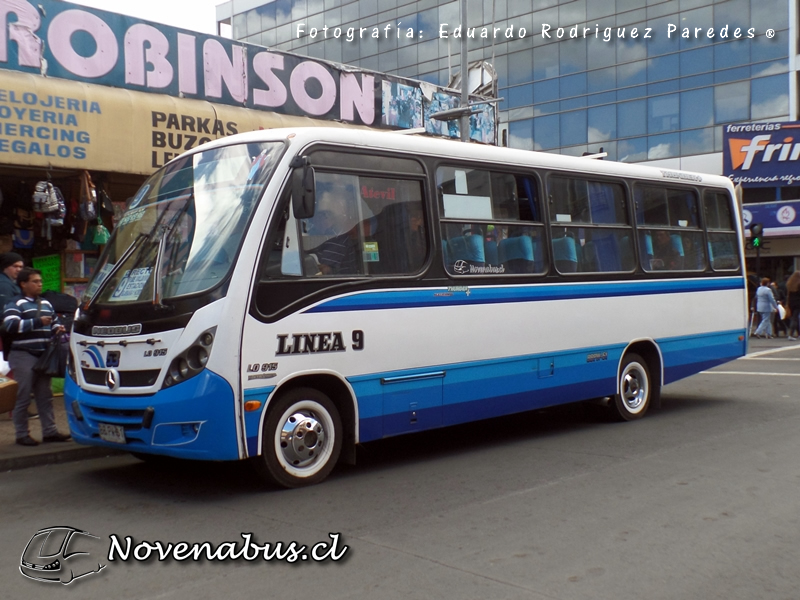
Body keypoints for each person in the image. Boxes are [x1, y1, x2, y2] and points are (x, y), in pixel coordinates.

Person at [3, 268, 71, 446]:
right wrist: (37, 322)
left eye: (40, 281)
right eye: (35, 281)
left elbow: (55, 322)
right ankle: (21, 434)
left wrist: (58, 328)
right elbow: (10, 325)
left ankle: (50, 432)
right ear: (23, 284)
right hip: (23, 354)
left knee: (44, 395)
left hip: (43, 355)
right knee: (23, 395)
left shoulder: (47, 304)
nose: (39, 284)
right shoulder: (15, 304)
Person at [786, 271, 800, 341]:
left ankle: (798, 333)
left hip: (791, 302)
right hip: (798, 302)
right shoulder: (799, 284)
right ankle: (791, 334)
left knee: (795, 318)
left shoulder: (789, 284)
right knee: (795, 318)